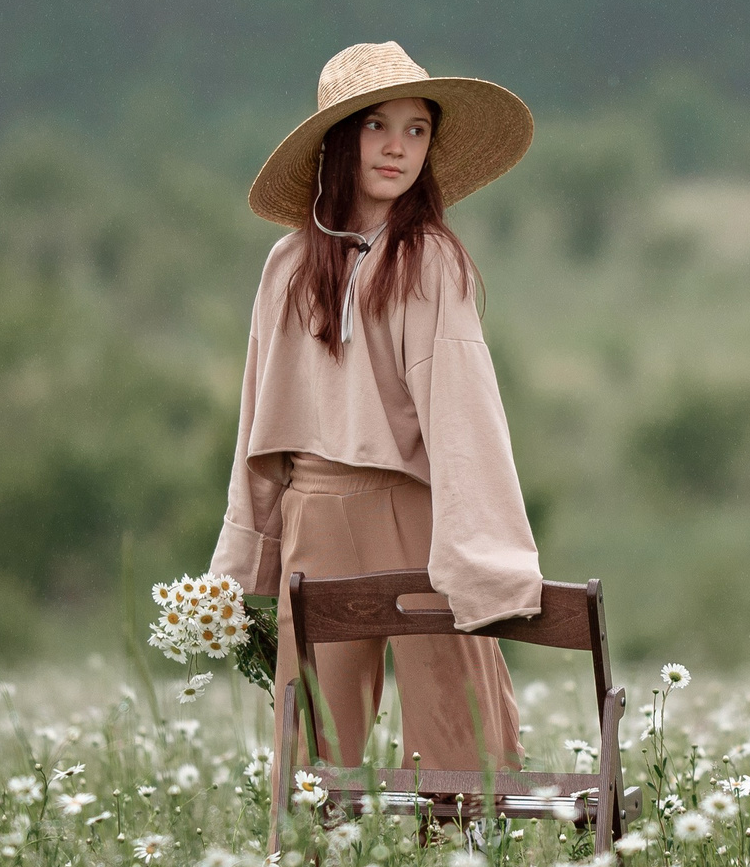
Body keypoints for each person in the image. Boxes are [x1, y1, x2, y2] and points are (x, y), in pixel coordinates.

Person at [210, 41, 542, 818]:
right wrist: (242, 562)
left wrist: (484, 560)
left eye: (418, 129)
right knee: (319, 750)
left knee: (456, 737)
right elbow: (259, 423)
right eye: (377, 126)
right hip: (311, 515)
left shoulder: (429, 260)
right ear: (339, 139)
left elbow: (464, 418)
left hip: (414, 519)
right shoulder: (287, 264)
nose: (399, 147)